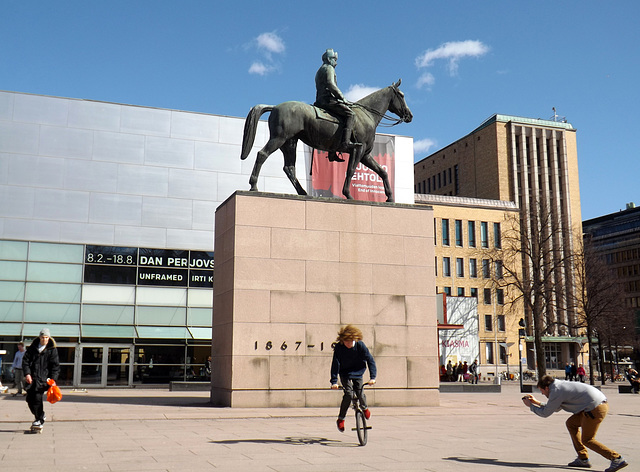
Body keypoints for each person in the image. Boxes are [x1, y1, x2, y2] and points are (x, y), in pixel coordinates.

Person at [522, 375, 628, 471]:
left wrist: (531, 406)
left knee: (588, 440)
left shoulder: (556, 391)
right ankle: (583, 458)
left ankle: (616, 458)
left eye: (542, 391)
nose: (542, 393)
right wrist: (536, 403)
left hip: (594, 409)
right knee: (571, 423)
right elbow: (555, 407)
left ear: (546, 388)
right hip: (596, 405)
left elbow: (545, 413)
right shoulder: (558, 385)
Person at [314, 48, 361, 162]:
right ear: (329, 59)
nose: (336, 62)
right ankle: (346, 142)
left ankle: (332, 152)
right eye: (334, 59)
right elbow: (331, 84)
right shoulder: (329, 68)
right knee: (351, 114)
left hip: (320, 100)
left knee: (337, 120)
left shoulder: (319, 70)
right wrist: (343, 98)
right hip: (328, 100)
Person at [330, 324, 377, 432]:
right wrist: (334, 381)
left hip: (358, 372)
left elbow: (370, 361)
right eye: (346, 342)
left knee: (360, 392)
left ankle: (364, 408)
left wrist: (372, 377)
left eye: (350, 342)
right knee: (348, 394)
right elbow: (335, 365)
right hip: (345, 373)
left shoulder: (360, 345)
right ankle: (341, 419)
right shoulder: (339, 347)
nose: (348, 344)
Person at [22, 328, 60, 431]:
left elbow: (55, 366)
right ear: (39, 337)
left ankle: (39, 420)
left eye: (47, 337)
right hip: (32, 378)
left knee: (37, 398)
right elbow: (25, 361)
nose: (45, 339)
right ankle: (40, 415)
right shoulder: (32, 348)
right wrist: (27, 374)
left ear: (49, 338)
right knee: (29, 399)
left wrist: (53, 380)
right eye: (43, 337)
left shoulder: (52, 350)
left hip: (44, 379)